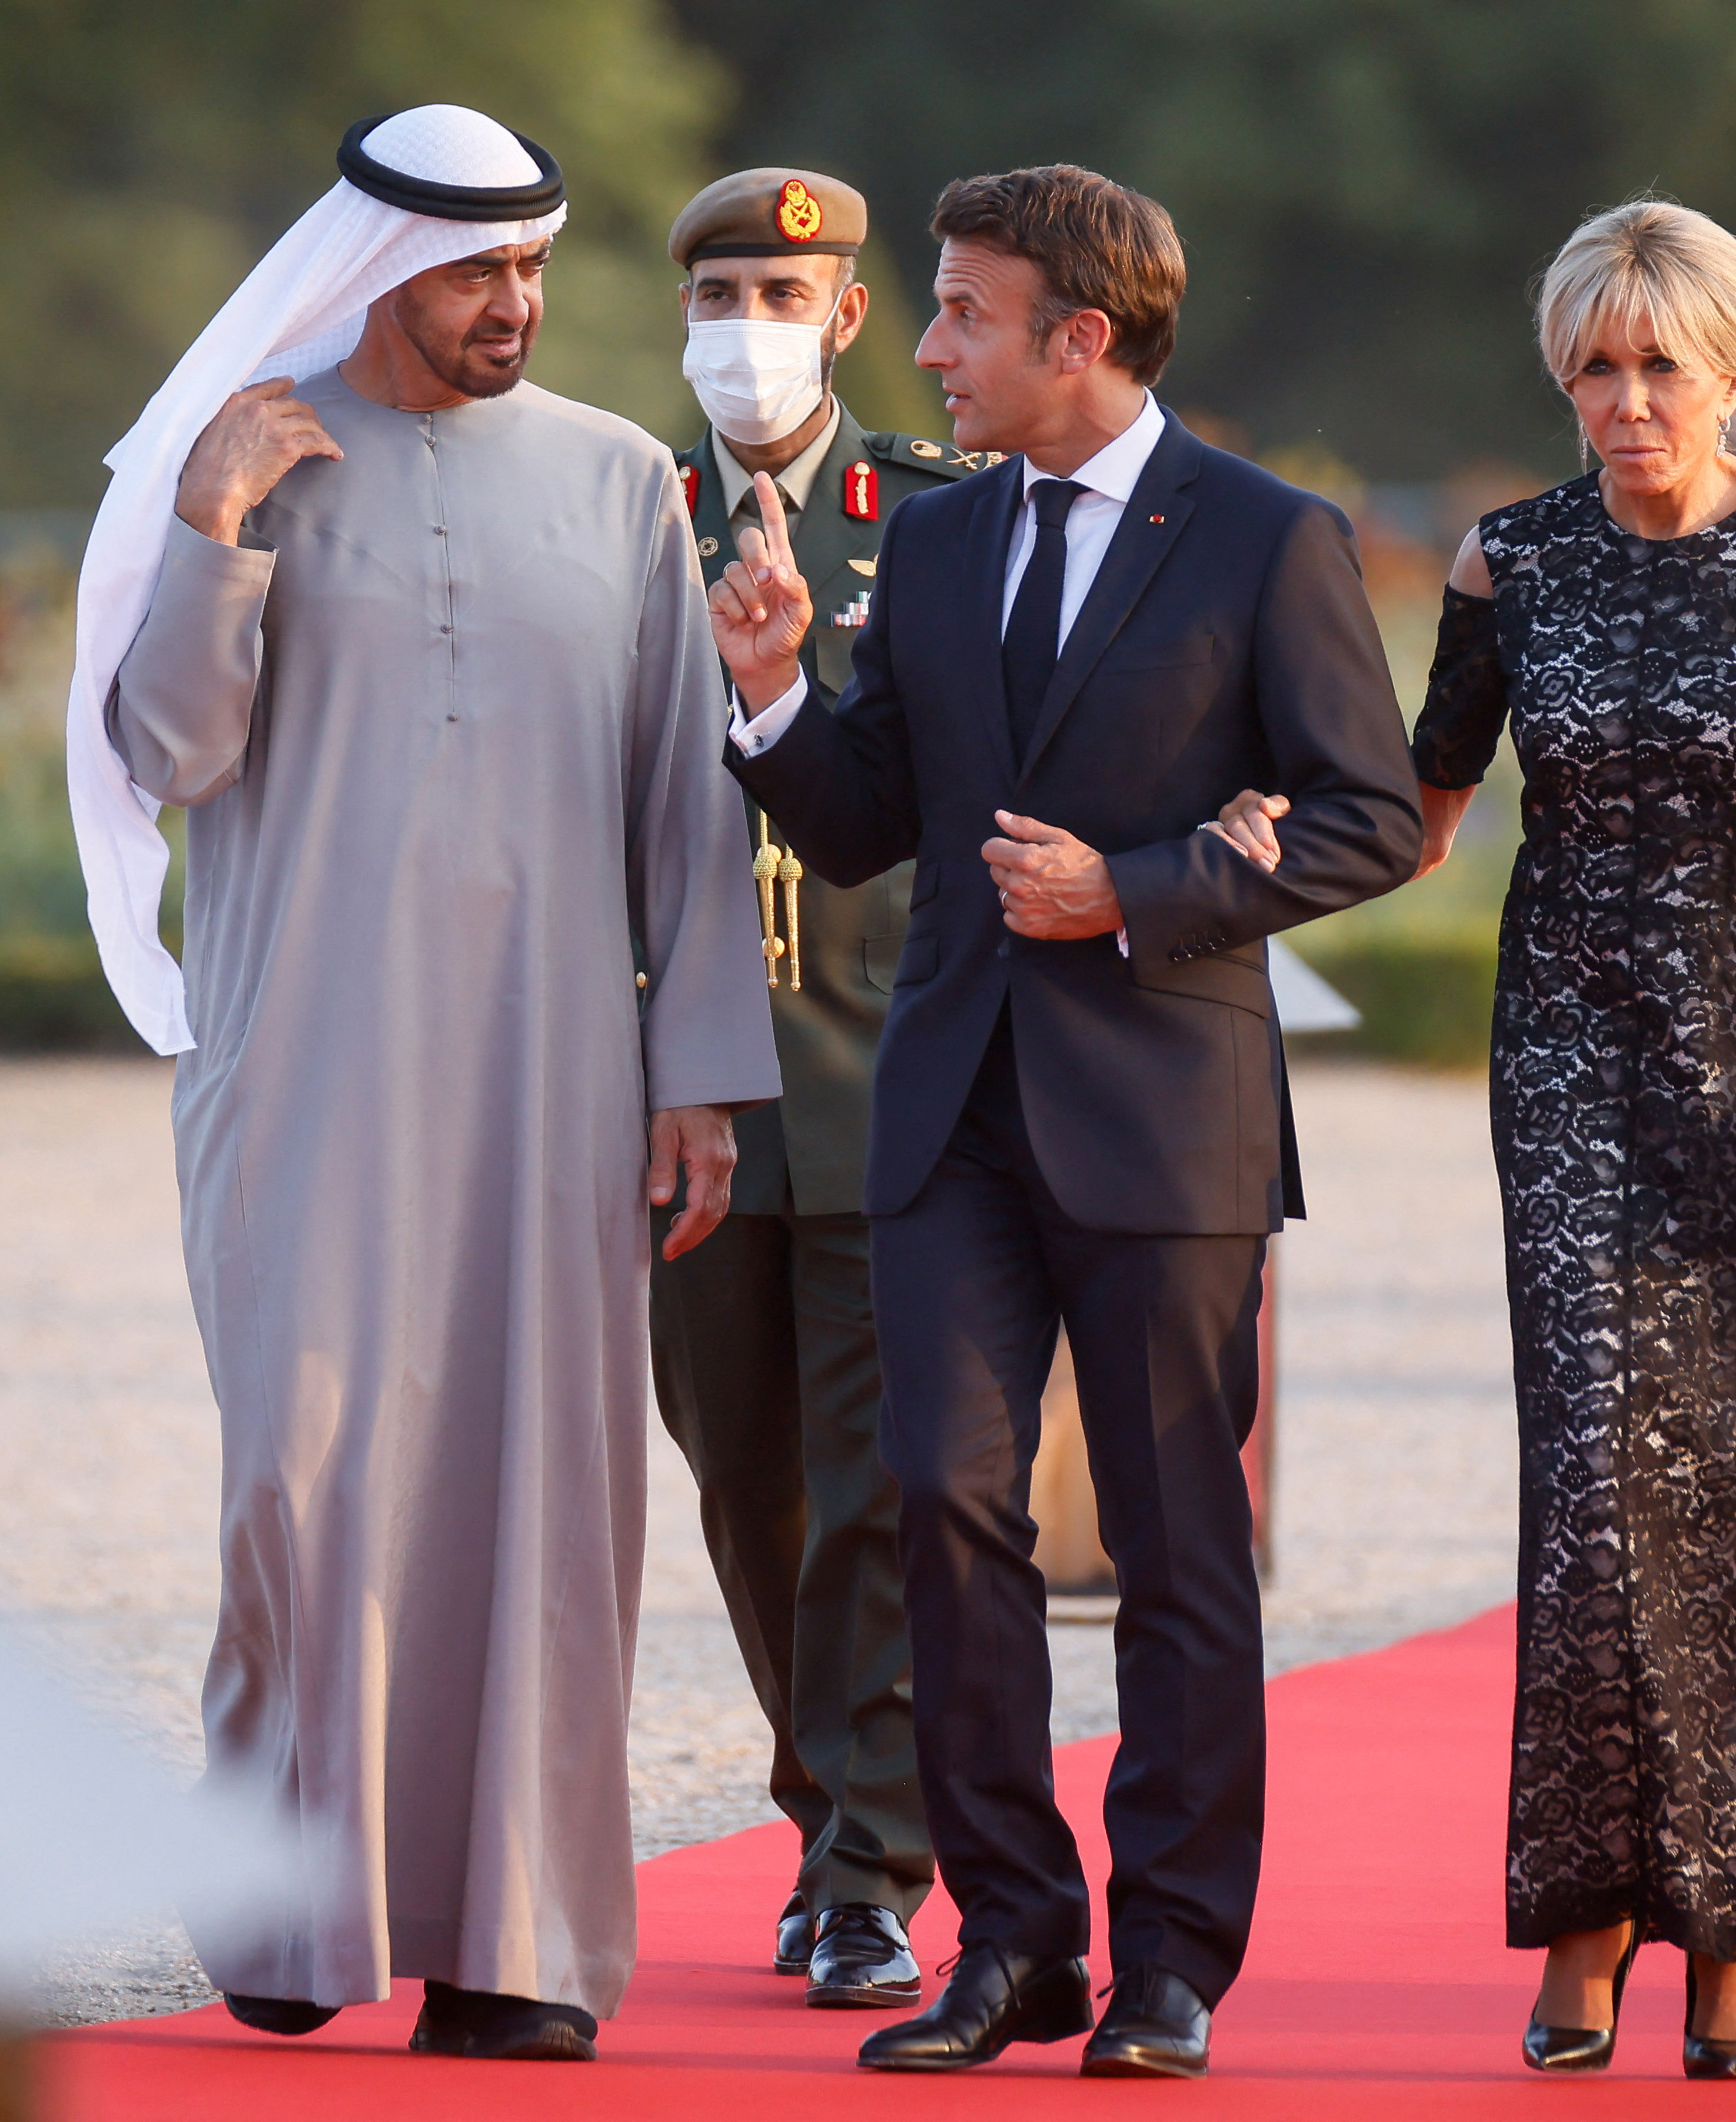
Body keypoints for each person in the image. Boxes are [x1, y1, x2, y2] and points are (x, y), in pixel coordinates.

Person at [63, 105, 780, 2062]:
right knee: (302, 1479)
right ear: (381, 270)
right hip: (299, 1058)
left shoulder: (620, 477)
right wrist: (208, 527)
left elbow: (682, 797)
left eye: (532, 268)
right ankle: (292, 1916)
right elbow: (164, 755)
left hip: (556, 1071)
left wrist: (698, 1078)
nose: (512, 304)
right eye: (475, 272)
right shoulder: (246, 453)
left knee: (547, 1491)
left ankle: (518, 1944)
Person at [715, 163, 1422, 2078]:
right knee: (943, 1510)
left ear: (1079, 337)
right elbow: (867, 818)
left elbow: (1369, 817)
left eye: (961, 311)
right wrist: (772, 697)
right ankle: (1014, 1943)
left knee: (1180, 1551)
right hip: (946, 1115)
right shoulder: (939, 545)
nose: (929, 345)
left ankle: (1170, 1961)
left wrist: (1137, 890)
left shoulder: (1267, 539)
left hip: (1167, 1119)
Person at [1260, 198, 1736, 2081]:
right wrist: (1214, 862)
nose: (1623, 403)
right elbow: (1412, 818)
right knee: (1588, 1496)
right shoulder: (1514, 560)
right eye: (1591, 368)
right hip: (1566, 1073)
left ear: (1733, 366)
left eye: (1658, 366)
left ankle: (1731, 1927)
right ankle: (1584, 1914)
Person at [653, 165, 992, 2013]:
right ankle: (822, 1815)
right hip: (683, 1089)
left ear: (849, 318)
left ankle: (868, 1868)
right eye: (717, 298)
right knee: (748, 1486)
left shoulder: (937, 518)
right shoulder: (628, 517)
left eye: (782, 299)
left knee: (878, 1490)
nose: (746, 332)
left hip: (884, 1072)